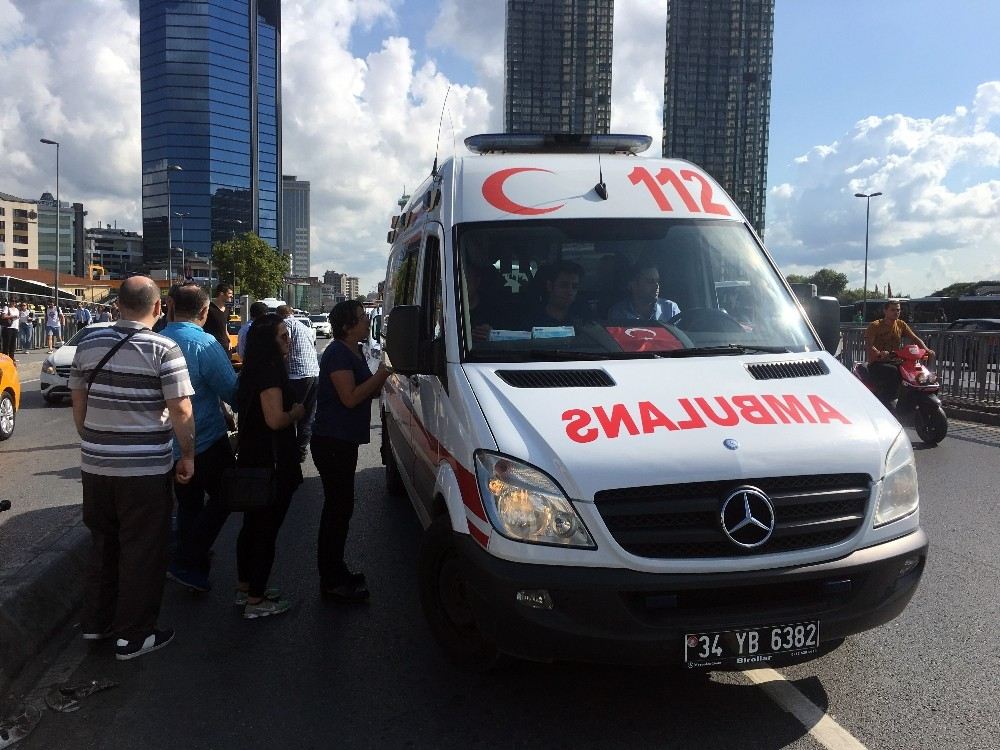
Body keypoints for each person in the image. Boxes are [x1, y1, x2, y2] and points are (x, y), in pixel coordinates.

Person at [68, 275, 195, 661]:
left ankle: (97, 623)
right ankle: (133, 636)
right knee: (142, 550)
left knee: (103, 544)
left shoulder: (88, 343)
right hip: (144, 471)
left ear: (118, 305)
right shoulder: (164, 348)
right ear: (159, 308)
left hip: (96, 466)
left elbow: (79, 400)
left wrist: (94, 439)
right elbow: (181, 410)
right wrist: (187, 453)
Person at [161, 285, 239, 593]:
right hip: (203, 439)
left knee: (190, 505)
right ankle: (187, 558)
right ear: (205, 312)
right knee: (227, 495)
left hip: (166, 444)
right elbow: (230, 389)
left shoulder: (156, 339)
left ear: (169, 306)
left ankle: (193, 565)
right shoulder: (203, 343)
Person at [311, 300, 389, 601]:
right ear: (346, 325)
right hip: (332, 442)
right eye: (361, 319)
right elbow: (351, 397)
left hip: (343, 440)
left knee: (342, 509)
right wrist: (383, 374)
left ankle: (336, 570)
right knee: (336, 510)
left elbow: (365, 388)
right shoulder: (337, 353)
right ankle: (330, 581)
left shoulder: (353, 350)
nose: (367, 323)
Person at [235, 313, 304, 618]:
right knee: (266, 530)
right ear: (269, 341)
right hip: (272, 461)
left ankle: (247, 587)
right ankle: (256, 600)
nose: (288, 340)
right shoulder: (270, 372)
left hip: (254, 458)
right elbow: (275, 419)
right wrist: (297, 412)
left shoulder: (252, 370)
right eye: (282, 335)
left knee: (252, 526)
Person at [865, 300, 936, 401]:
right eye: (893, 310)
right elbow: (869, 344)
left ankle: (909, 399)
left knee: (913, 371)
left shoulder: (901, 324)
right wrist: (879, 353)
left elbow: (915, 338)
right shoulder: (875, 325)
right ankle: (888, 401)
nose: (896, 312)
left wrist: (927, 349)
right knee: (894, 371)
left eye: (898, 310)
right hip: (877, 362)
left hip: (895, 361)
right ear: (885, 311)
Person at [277, 305, 320, 461]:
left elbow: (284, 350)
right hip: (313, 373)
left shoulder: (286, 325)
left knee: (292, 414)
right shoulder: (304, 326)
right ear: (292, 313)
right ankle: (301, 450)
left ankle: (290, 452)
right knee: (308, 416)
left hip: (297, 376)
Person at [607, 263, 681, 322]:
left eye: (657, 281)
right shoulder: (619, 313)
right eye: (650, 281)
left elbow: (682, 338)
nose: (656, 286)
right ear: (633, 285)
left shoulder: (671, 309)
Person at [525, 261, 588, 327]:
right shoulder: (532, 321)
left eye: (574, 287)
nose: (570, 292)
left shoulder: (583, 319)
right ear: (550, 286)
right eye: (564, 285)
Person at [203, 283, 233, 353]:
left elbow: (224, 327)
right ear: (221, 294)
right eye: (229, 293)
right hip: (211, 347)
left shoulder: (227, 309)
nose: (232, 296)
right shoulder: (208, 308)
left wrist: (229, 341)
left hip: (226, 347)